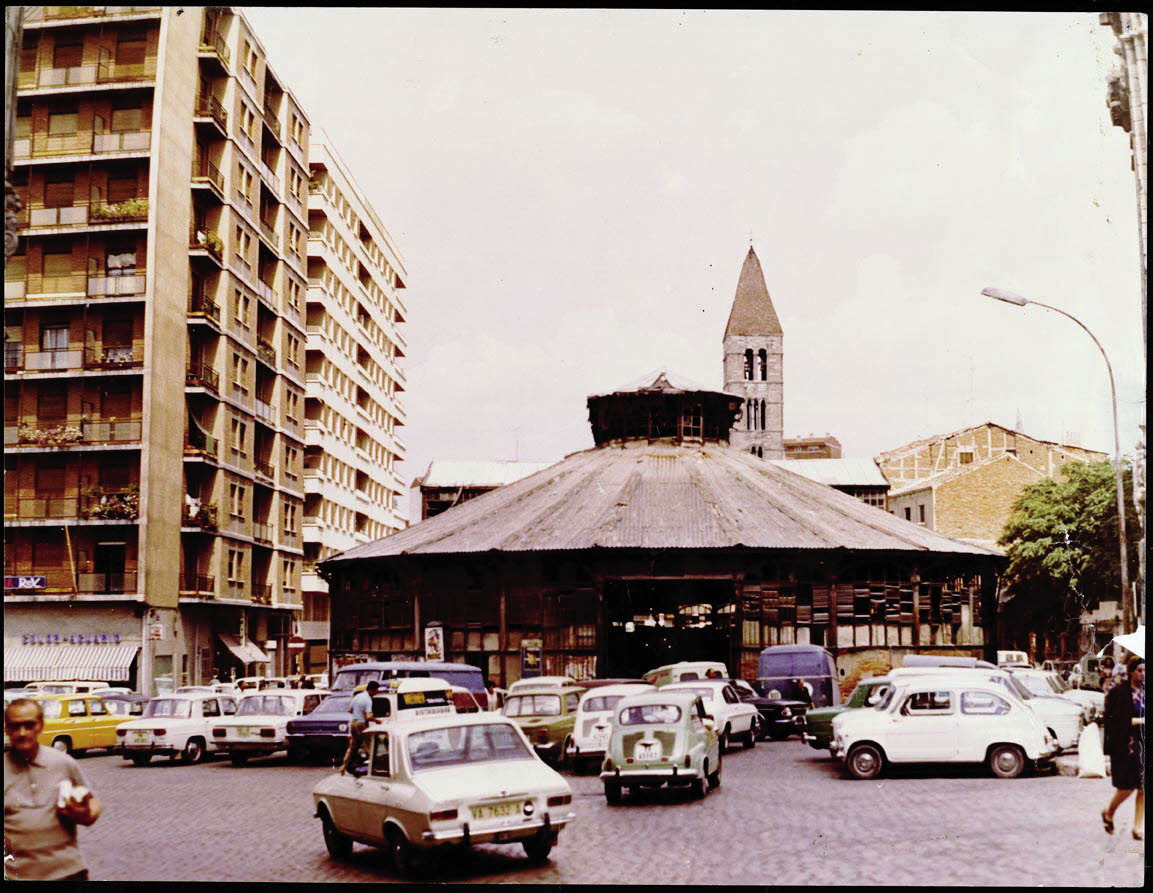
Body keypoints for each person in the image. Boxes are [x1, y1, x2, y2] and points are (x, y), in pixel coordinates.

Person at [4, 699, 103, 881]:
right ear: (6, 729)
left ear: (41, 725)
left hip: (67, 872)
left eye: (29, 725)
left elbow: (93, 802)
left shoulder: (62, 763)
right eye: (15, 726)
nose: (22, 733)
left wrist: (85, 814)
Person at [1101, 657, 1144, 841]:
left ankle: (1137, 827)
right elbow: (1116, 721)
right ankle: (1109, 812)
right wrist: (1140, 721)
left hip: (1144, 745)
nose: (1143, 674)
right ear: (1131, 672)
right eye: (1140, 670)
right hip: (1125, 746)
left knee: (1143, 787)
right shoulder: (1120, 692)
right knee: (1126, 787)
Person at [338, 680, 379, 773]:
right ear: (373, 690)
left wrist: (358, 713)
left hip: (353, 723)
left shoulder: (357, 696)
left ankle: (344, 767)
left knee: (352, 747)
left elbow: (349, 710)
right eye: (377, 690)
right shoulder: (368, 700)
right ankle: (375, 766)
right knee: (370, 745)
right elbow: (369, 717)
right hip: (361, 724)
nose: (377, 692)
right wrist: (378, 721)